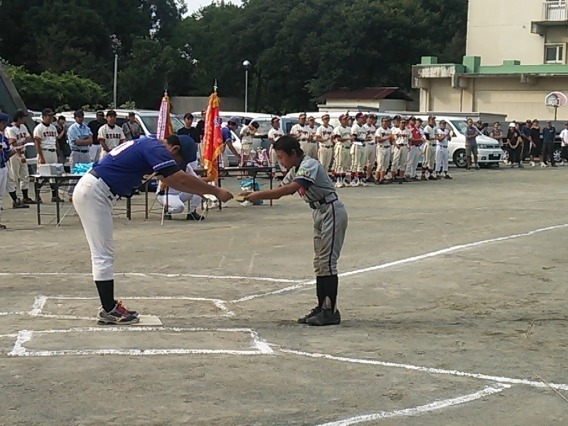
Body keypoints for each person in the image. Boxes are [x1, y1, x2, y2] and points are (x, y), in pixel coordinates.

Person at [72, 134, 234, 324]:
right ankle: (109, 309)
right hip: (95, 193)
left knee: (103, 253)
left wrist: (201, 191)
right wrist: (215, 191)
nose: (177, 164)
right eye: (179, 160)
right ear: (174, 150)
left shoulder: (151, 144)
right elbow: (179, 179)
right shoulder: (155, 148)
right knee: (102, 255)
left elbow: (171, 179)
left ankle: (109, 306)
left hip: (96, 191)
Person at [240, 136, 348, 326]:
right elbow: (282, 187)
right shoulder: (296, 169)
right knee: (320, 262)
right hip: (318, 211)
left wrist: (259, 195)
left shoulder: (309, 164)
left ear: (293, 153)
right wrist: (251, 194)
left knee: (328, 261)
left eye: (282, 157)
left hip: (331, 209)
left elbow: (289, 190)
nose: (280, 161)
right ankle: (322, 306)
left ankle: (330, 311)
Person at [157, 135, 206, 221]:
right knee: (179, 208)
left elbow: (194, 179)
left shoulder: (185, 164)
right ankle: (167, 210)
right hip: (166, 194)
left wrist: (209, 180)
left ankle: (192, 212)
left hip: (180, 193)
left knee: (199, 188)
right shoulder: (165, 163)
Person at [33, 108, 64, 203]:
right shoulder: (39, 128)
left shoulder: (53, 127)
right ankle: (37, 196)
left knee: (54, 174)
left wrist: (58, 155)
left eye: (51, 115)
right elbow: (37, 143)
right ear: (43, 116)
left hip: (53, 151)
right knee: (41, 175)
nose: (51, 117)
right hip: (44, 151)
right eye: (49, 115)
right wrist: (41, 156)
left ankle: (55, 196)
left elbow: (56, 141)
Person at [6, 109, 34, 207]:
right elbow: (14, 144)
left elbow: (28, 137)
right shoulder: (10, 128)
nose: (24, 119)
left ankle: (25, 197)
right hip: (14, 154)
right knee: (14, 176)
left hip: (22, 152)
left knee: (25, 175)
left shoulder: (22, 127)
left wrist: (21, 143)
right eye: (23, 117)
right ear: (19, 118)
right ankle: (16, 199)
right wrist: (19, 153)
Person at [0, 112, 18, 229]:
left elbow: (6, 154)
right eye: (3, 124)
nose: (5, 126)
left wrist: (14, 151)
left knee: (0, 196)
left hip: (3, 167)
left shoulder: (3, 137)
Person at [332, 114, 352, 188]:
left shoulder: (349, 129)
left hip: (347, 147)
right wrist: (348, 138)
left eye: (346, 119)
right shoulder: (338, 128)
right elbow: (339, 139)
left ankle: (343, 180)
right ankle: (338, 181)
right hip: (341, 147)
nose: (346, 121)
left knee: (345, 165)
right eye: (344, 119)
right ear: (340, 121)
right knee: (339, 165)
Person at [374, 116, 393, 184]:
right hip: (381, 147)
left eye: (387, 121)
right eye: (384, 121)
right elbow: (378, 140)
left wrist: (391, 139)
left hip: (388, 147)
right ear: (382, 122)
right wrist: (388, 137)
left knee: (385, 164)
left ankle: (382, 178)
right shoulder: (379, 130)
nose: (385, 123)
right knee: (380, 164)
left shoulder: (389, 130)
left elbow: (391, 141)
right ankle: (376, 178)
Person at [350, 112, 367, 186]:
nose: (363, 119)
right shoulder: (355, 127)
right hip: (356, 145)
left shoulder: (363, 127)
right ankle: (352, 180)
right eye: (361, 118)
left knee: (361, 163)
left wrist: (365, 139)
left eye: (363, 117)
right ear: (357, 119)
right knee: (355, 163)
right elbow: (354, 138)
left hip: (363, 146)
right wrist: (363, 139)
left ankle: (360, 180)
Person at [391, 118, 410, 183]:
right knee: (395, 162)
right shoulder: (395, 130)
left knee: (403, 162)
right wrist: (396, 145)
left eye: (404, 122)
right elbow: (392, 140)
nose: (403, 124)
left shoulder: (408, 131)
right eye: (402, 122)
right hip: (398, 146)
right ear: (399, 123)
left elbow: (410, 139)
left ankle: (401, 177)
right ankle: (393, 177)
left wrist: (409, 145)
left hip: (404, 146)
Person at [421, 116, 437, 181]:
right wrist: (436, 138)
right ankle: (423, 175)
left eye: (433, 119)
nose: (433, 121)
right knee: (426, 160)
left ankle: (430, 174)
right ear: (429, 120)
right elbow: (427, 138)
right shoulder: (427, 128)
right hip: (428, 144)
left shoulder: (434, 128)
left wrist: (437, 137)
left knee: (432, 161)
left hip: (434, 145)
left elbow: (436, 135)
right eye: (431, 119)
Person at [363, 114, 377, 182]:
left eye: (372, 118)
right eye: (369, 118)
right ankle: (362, 176)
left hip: (373, 144)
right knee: (364, 161)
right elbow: (362, 137)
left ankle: (368, 176)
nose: (370, 120)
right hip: (366, 144)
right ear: (366, 119)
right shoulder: (363, 127)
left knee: (371, 162)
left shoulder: (373, 127)